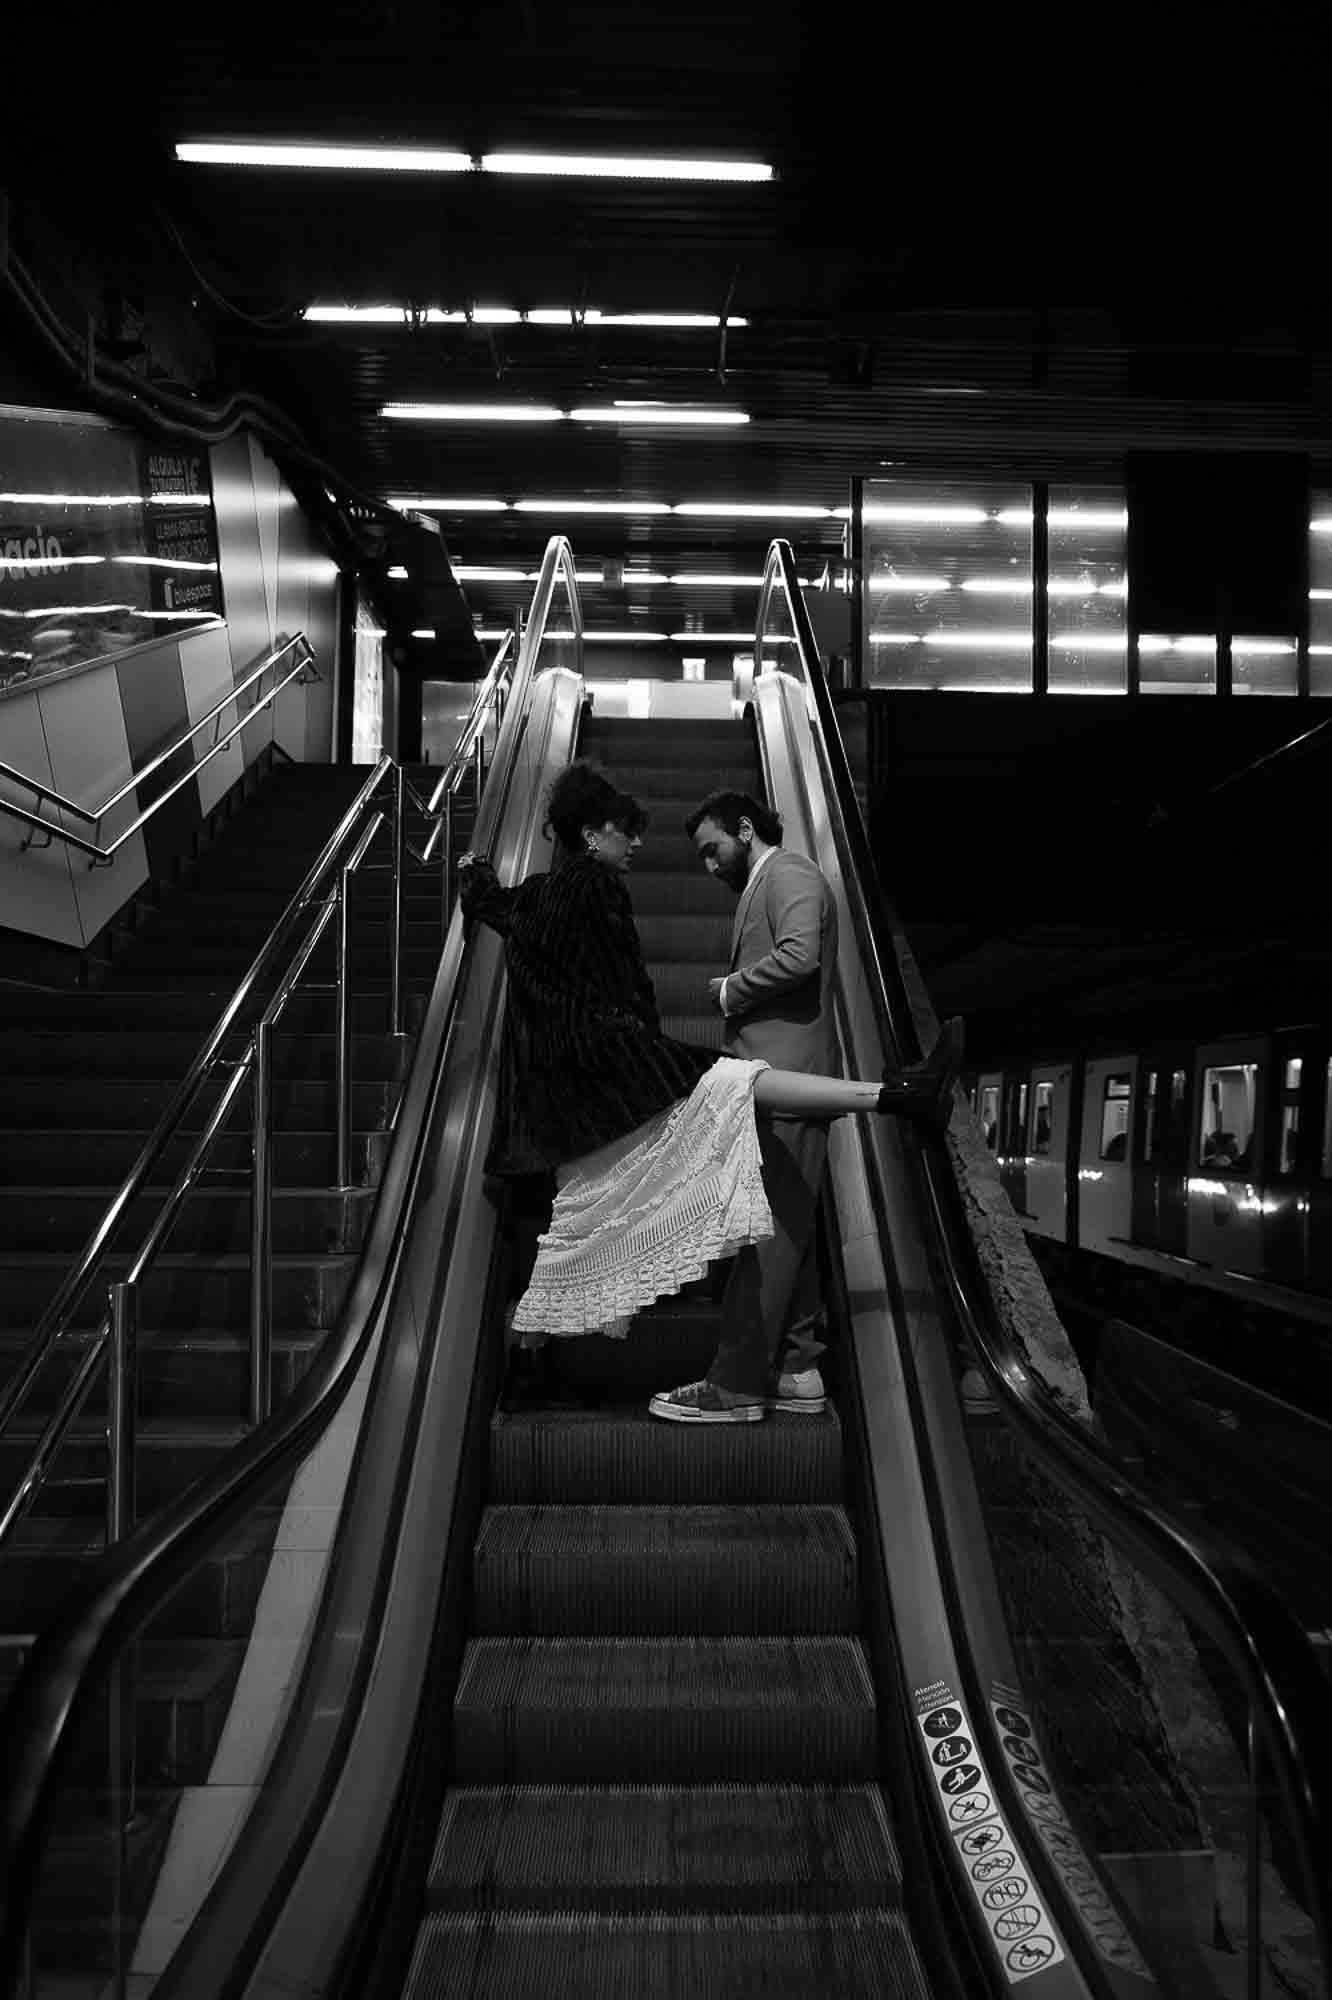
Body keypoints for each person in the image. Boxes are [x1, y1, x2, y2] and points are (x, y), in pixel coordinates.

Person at [458, 762, 962, 1409]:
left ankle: (530, 1372)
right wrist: (656, 1033)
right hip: (616, 1072)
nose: (637, 845)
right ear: (589, 835)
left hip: (560, 1103)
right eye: (624, 832)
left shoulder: (535, 896)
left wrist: (474, 874)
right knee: (740, 1092)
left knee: (587, 1228)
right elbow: (627, 992)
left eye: (707, 850)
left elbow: (493, 905)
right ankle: (896, 1095)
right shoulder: (599, 889)